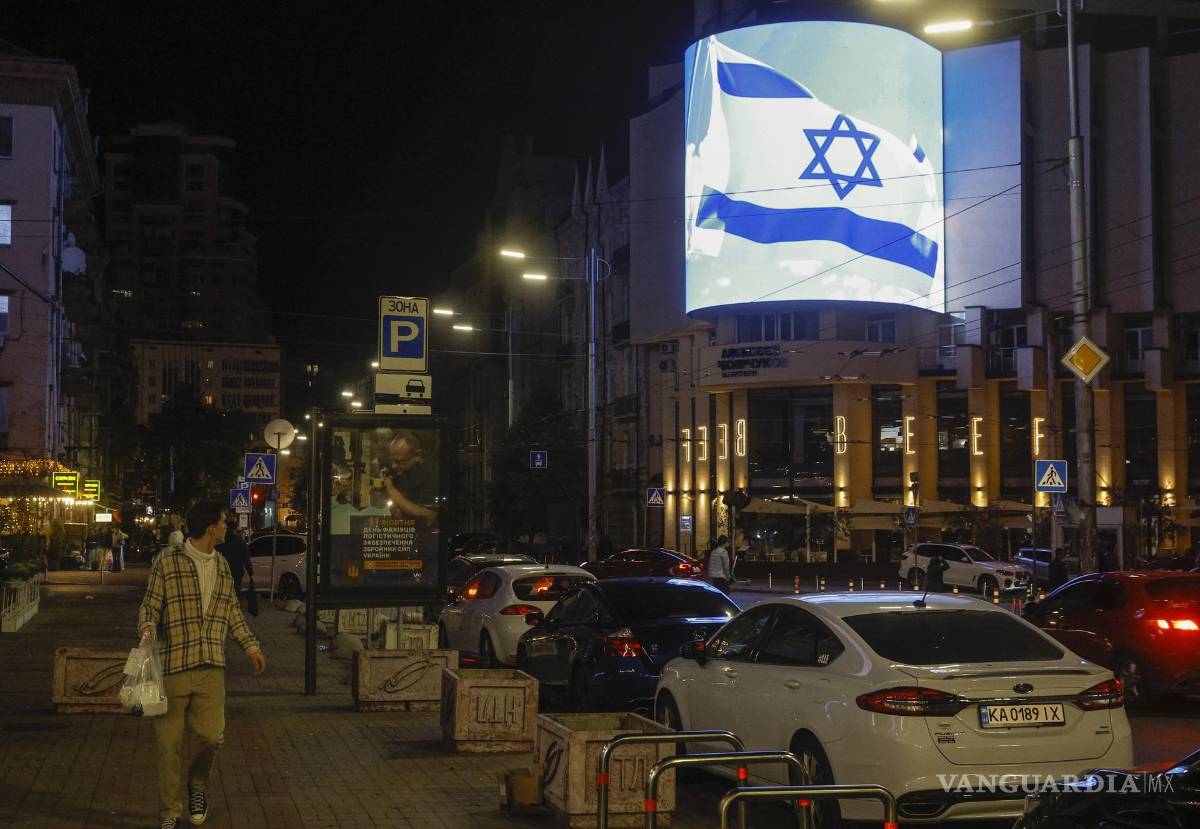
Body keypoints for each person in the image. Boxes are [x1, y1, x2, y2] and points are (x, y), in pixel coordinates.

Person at [138, 501, 267, 829]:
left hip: (211, 665)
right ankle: (169, 811)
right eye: (224, 522)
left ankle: (197, 786)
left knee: (212, 736)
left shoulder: (222, 564)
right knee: (169, 746)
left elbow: (232, 612)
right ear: (211, 528)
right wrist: (148, 626)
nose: (227, 527)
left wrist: (251, 647)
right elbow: (150, 605)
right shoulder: (168, 562)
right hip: (174, 666)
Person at [216, 518, 257, 617]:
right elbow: (245, 557)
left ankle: (223, 611)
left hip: (223, 572)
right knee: (235, 593)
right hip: (237, 572)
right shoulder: (239, 540)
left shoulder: (221, 540)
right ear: (234, 529)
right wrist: (250, 571)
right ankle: (232, 613)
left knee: (223, 593)